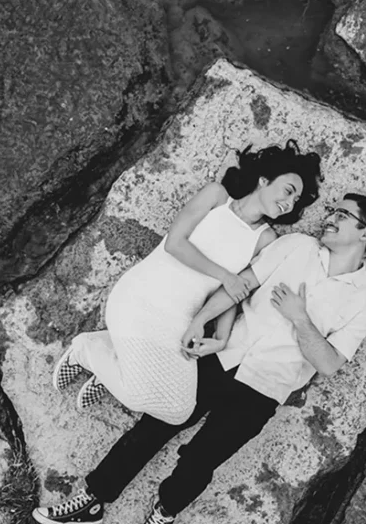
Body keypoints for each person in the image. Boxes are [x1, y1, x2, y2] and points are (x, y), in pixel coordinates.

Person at [33, 193, 366, 524]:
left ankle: (166, 510)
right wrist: (202, 321)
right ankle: (93, 500)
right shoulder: (296, 246)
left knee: (202, 458)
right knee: (154, 425)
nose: (329, 217)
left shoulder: (362, 303)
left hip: (265, 387)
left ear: (365, 233)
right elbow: (241, 285)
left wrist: (300, 317)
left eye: (342, 214)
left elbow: (329, 364)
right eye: (331, 210)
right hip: (222, 355)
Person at [51, 141, 322, 425]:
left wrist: (221, 338)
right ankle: (86, 350)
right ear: (264, 180)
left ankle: (113, 356)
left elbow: (232, 292)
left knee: (179, 411)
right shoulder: (217, 197)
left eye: (295, 200)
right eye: (288, 191)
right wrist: (225, 275)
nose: (290, 203)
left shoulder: (266, 240)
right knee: (137, 397)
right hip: (142, 298)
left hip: (180, 320)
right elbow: (174, 244)